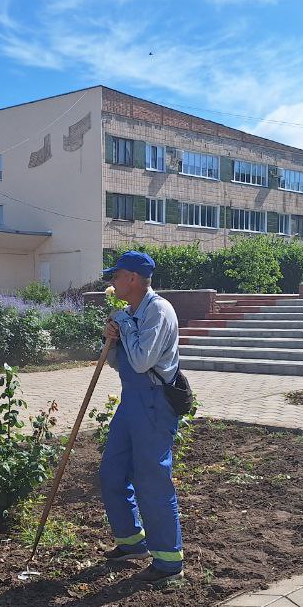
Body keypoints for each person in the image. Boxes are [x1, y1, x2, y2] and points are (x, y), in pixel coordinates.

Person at [99, 250, 184, 588]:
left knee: (152, 479)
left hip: (153, 402)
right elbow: (120, 363)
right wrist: (111, 338)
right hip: (131, 400)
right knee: (112, 473)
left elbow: (141, 362)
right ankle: (132, 542)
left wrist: (123, 325)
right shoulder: (131, 312)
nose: (112, 282)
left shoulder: (158, 311)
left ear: (133, 278)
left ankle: (168, 561)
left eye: (116, 276)